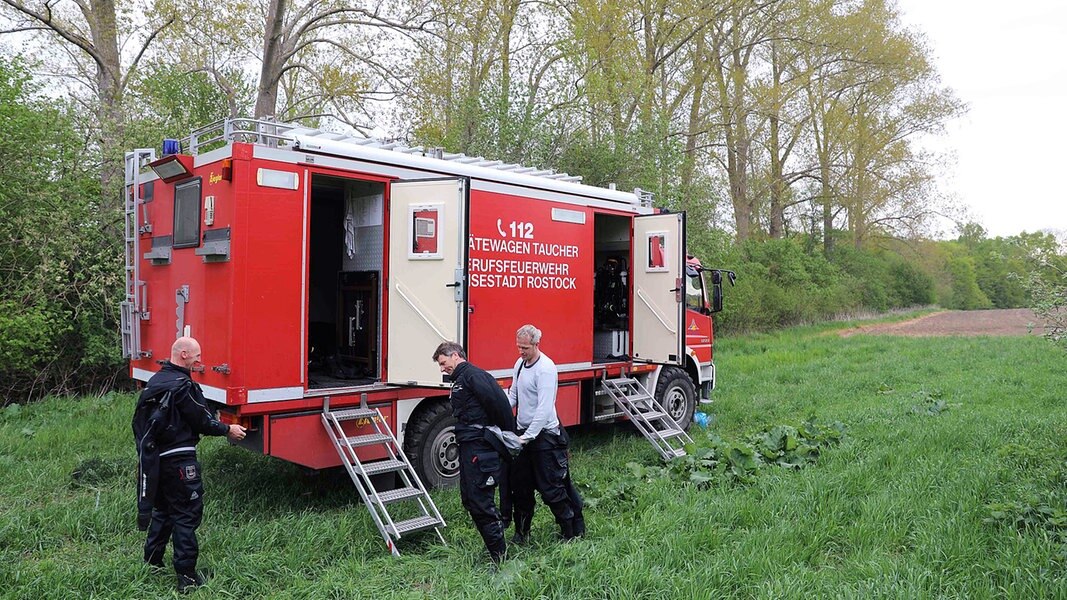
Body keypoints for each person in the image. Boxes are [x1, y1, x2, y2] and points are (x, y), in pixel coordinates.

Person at [135, 337, 246, 593]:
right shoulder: (183, 386)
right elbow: (202, 421)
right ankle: (187, 578)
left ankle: (152, 561)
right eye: (197, 355)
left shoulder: (156, 381)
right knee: (186, 516)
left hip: (157, 462)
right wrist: (228, 429)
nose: (200, 360)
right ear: (184, 354)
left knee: (162, 511)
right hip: (180, 462)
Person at [433, 341, 516, 563]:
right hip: (469, 448)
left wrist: (504, 438)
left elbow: (501, 407)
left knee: (481, 501)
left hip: (481, 449)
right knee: (470, 500)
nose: (442, 368)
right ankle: (495, 549)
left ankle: (500, 559)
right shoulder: (460, 380)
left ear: (455, 355)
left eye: (443, 363)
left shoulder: (474, 376)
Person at [507, 324, 585, 543]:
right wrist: (501, 412)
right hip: (524, 435)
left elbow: (543, 409)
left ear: (536, 344)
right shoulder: (520, 365)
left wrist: (526, 437)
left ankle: (570, 532)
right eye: (519, 347)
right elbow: (514, 394)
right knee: (520, 488)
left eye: (525, 348)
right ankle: (522, 533)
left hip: (546, 438)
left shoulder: (546, 369)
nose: (521, 352)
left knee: (552, 488)